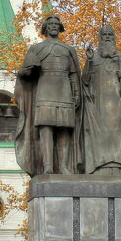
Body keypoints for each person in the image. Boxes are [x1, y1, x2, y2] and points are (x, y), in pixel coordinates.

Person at [14, 15, 83, 176]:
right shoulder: (36, 49)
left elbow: (74, 74)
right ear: (45, 28)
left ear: (60, 28)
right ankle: (48, 166)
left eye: (56, 24)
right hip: (44, 92)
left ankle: (64, 167)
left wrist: (77, 93)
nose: (53, 26)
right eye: (50, 24)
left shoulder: (68, 50)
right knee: (46, 128)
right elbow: (24, 73)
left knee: (64, 129)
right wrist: (29, 69)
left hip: (64, 91)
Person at [81, 25, 121, 178]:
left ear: (114, 38)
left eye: (110, 35)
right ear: (100, 38)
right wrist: (88, 62)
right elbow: (84, 81)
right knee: (99, 139)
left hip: (118, 109)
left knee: (119, 139)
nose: (107, 37)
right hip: (98, 109)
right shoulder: (93, 59)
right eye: (104, 35)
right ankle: (98, 167)